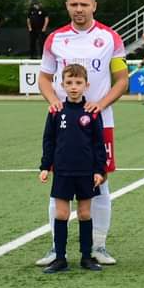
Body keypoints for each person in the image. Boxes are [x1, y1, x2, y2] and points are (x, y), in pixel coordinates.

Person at [35, 0, 128, 267]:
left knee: (100, 180)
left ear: (94, 6)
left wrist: (100, 105)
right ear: (67, 6)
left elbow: (122, 80)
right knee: (58, 179)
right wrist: (54, 102)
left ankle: (98, 245)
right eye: (74, 5)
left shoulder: (110, 37)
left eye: (84, 5)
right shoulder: (55, 39)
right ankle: (56, 247)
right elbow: (44, 78)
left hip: (100, 122)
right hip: (64, 122)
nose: (79, 10)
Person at [38, 64, 107, 274]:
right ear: (62, 85)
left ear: (86, 85)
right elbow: (48, 140)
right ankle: (60, 258)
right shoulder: (56, 111)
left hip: (86, 172)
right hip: (63, 171)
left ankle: (86, 256)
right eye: (69, 83)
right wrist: (45, 166)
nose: (74, 87)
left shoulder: (92, 112)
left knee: (85, 213)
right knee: (61, 213)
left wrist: (99, 170)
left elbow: (98, 143)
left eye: (78, 83)